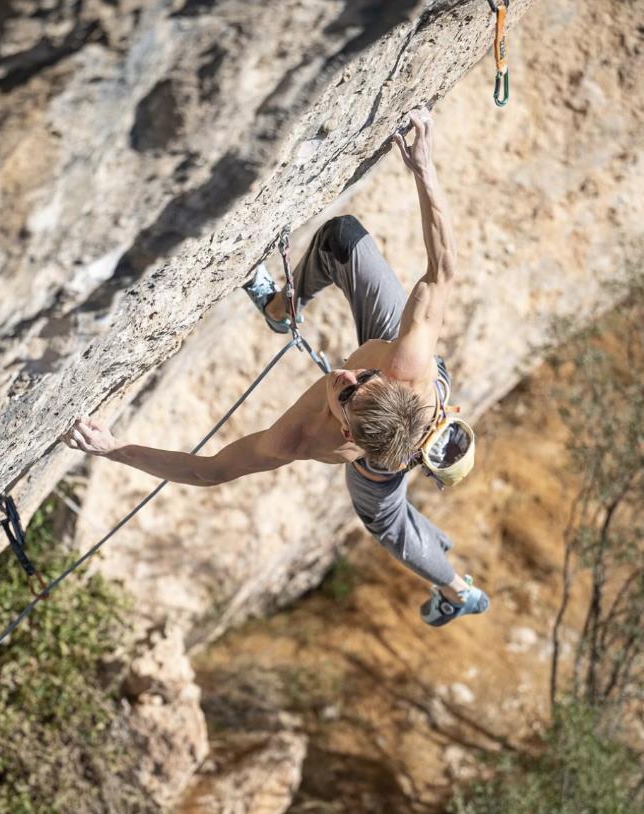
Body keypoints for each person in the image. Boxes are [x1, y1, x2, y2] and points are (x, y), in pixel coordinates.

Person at [64, 108, 489, 627]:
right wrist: (424, 165)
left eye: (346, 397)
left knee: (389, 522)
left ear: (345, 428)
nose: (343, 377)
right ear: (392, 379)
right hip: (414, 395)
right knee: (341, 239)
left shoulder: (313, 441)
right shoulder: (408, 360)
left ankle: (453, 590)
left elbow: (210, 469)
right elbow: (443, 267)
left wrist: (114, 449)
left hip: (380, 460)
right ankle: (281, 307)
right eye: (362, 379)